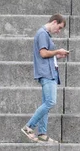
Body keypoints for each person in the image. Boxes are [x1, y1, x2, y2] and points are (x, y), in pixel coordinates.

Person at [21, 14, 69, 143]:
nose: (58, 31)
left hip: (49, 72)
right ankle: (29, 127)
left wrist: (57, 56)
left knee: (46, 104)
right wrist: (57, 51)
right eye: (59, 28)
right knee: (50, 102)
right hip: (47, 74)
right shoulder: (42, 33)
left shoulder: (45, 35)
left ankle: (42, 134)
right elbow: (43, 53)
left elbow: (47, 55)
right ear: (54, 22)